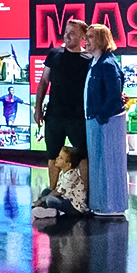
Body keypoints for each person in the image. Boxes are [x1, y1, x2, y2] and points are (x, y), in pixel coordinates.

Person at [34, 19, 91, 197]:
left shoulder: (88, 59)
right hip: (54, 115)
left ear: (82, 37)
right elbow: (44, 81)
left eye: (72, 32)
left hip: (78, 117)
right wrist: (38, 108)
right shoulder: (54, 54)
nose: (67, 35)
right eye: (66, 31)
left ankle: (85, 196)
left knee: (82, 155)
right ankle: (52, 192)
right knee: (52, 155)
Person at [83, 24, 128, 218]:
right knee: (99, 164)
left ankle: (111, 205)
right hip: (96, 119)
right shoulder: (95, 61)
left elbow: (113, 96)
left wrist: (101, 116)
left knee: (108, 164)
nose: (87, 41)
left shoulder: (108, 64)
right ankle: (101, 203)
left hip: (106, 122)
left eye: (91, 37)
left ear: (101, 39)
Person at [33, 147, 90, 219]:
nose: (57, 158)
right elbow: (57, 190)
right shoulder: (63, 173)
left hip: (75, 208)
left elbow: (58, 192)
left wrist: (41, 200)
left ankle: (53, 211)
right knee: (46, 191)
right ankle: (49, 209)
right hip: (66, 198)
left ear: (68, 164)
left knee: (50, 200)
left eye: (61, 158)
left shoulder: (71, 176)